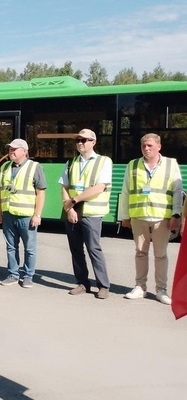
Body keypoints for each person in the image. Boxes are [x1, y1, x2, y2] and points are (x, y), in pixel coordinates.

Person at [118, 133, 183, 305]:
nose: (146, 149)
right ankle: (140, 287)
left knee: (160, 255)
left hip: (162, 217)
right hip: (139, 216)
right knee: (140, 252)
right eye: (144, 146)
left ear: (159, 146)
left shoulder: (171, 164)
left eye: (150, 146)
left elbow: (177, 191)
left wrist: (176, 214)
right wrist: (124, 216)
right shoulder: (132, 165)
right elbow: (125, 192)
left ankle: (161, 290)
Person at [60, 129, 113, 299]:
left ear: (93, 142)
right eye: (78, 140)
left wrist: (74, 201)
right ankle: (82, 283)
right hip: (73, 212)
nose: (80, 143)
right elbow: (64, 187)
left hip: (91, 212)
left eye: (84, 140)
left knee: (93, 248)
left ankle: (103, 286)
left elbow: (99, 187)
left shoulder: (103, 162)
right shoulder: (71, 162)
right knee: (76, 250)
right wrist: (69, 209)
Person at [0, 139, 46, 288]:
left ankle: (28, 276)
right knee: (11, 247)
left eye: (14, 149)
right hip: (8, 214)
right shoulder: (4, 167)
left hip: (27, 216)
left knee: (29, 248)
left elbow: (41, 192)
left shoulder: (34, 167)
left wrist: (37, 215)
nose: (11, 152)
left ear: (24, 151)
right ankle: (13, 274)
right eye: (10, 149)